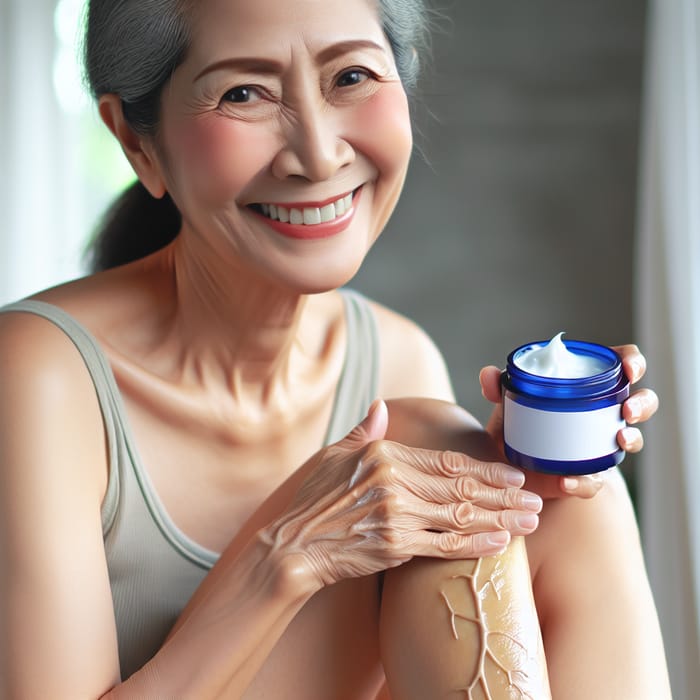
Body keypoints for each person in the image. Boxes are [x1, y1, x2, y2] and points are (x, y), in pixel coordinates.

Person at [0, 0, 670, 698]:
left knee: (573, 496)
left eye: (350, 76)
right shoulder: (38, 374)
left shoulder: (396, 357)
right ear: (139, 143)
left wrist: (522, 479)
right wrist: (287, 555)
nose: (318, 153)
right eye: (243, 93)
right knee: (423, 439)